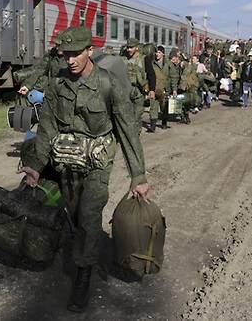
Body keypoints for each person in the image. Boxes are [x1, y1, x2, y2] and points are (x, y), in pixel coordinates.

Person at [19, 27, 150, 313]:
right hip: (67, 161)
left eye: (76, 53)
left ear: (90, 51)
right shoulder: (58, 85)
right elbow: (47, 127)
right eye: (66, 55)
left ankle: (83, 276)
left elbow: (127, 130)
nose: (71, 60)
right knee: (75, 214)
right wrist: (36, 167)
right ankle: (84, 247)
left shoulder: (108, 84)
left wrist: (138, 176)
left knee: (90, 215)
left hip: (97, 164)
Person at [149, 46, 177, 130]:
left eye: (159, 52)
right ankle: (152, 126)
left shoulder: (168, 64)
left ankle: (164, 122)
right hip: (154, 88)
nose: (157, 54)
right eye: (156, 52)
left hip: (165, 89)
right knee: (153, 107)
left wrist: (174, 89)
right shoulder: (152, 63)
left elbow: (173, 77)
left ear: (163, 54)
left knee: (164, 107)